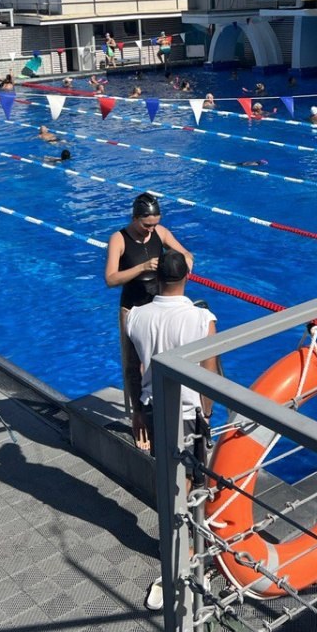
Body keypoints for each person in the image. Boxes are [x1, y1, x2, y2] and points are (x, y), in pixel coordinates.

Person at [125, 249, 218, 609]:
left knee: (168, 482)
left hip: (152, 410)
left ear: (157, 279)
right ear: (186, 278)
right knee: (194, 486)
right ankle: (189, 557)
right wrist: (207, 416)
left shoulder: (135, 317)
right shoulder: (201, 318)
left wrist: (135, 413)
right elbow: (209, 374)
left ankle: (180, 548)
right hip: (188, 413)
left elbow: (134, 370)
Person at [105, 192, 194, 343]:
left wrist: (187, 259)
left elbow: (186, 253)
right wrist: (142, 267)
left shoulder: (161, 232)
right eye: (147, 225)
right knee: (133, 363)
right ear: (134, 219)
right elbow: (111, 279)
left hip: (159, 306)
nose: (151, 229)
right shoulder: (118, 239)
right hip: (132, 308)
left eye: (155, 224)